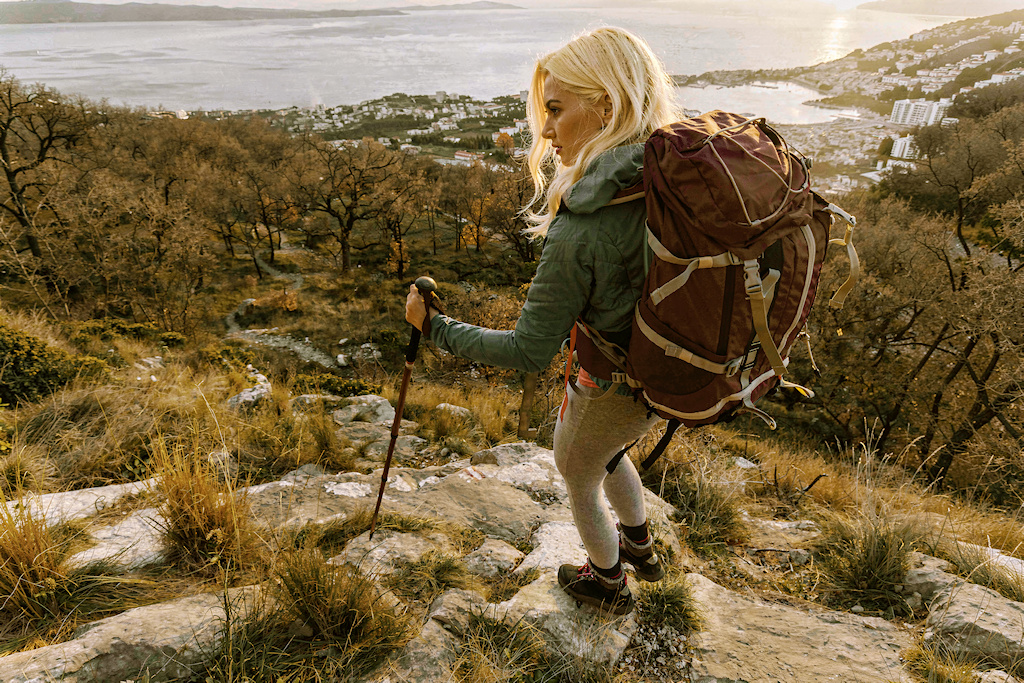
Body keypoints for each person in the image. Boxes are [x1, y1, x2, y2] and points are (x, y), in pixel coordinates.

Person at [405, 26, 680, 616]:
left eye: (555, 110)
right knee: (610, 455)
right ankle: (641, 546)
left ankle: (607, 582)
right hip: (665, 371)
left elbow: (529, 351)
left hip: (609, 381)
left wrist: (434, 327)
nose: (545, 130)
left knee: (579, 474)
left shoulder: (585, 225)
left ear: (606, 104)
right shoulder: (661, 179)